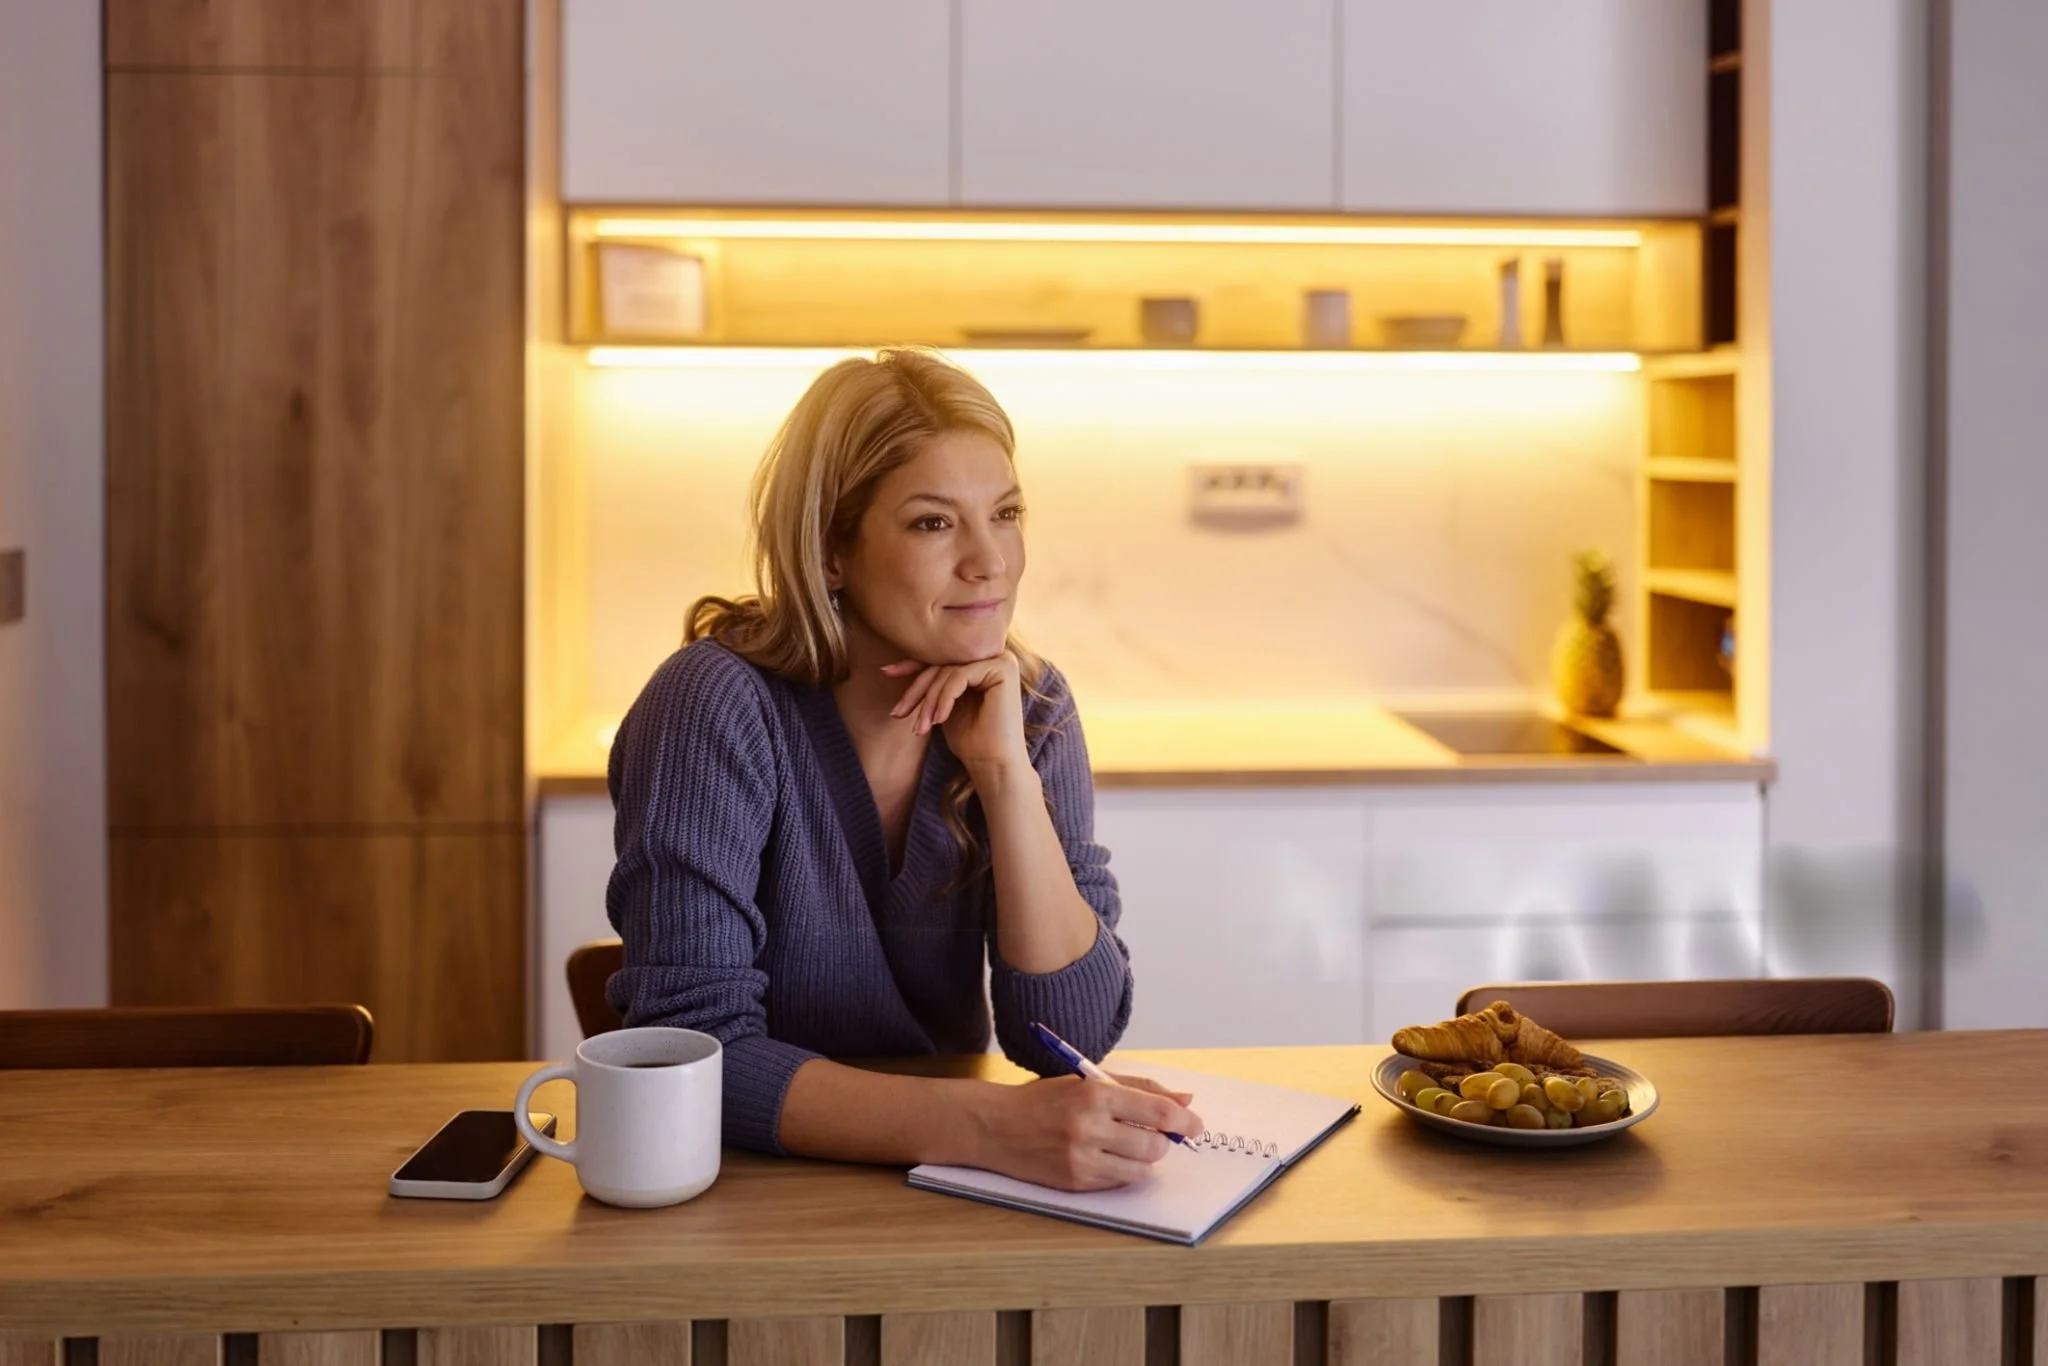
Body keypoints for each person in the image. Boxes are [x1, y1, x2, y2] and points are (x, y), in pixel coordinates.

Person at [605, 349, 1203, 1192]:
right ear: (831, 550)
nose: (990, 561)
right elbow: (693, 1057)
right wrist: (989, 1126)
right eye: (932, 523)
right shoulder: (716, 703)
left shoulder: (1030, 708)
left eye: (1006, 514)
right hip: (750, 1194)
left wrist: (1005, 776)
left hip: (941, 1185)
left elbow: (1070, 1038)